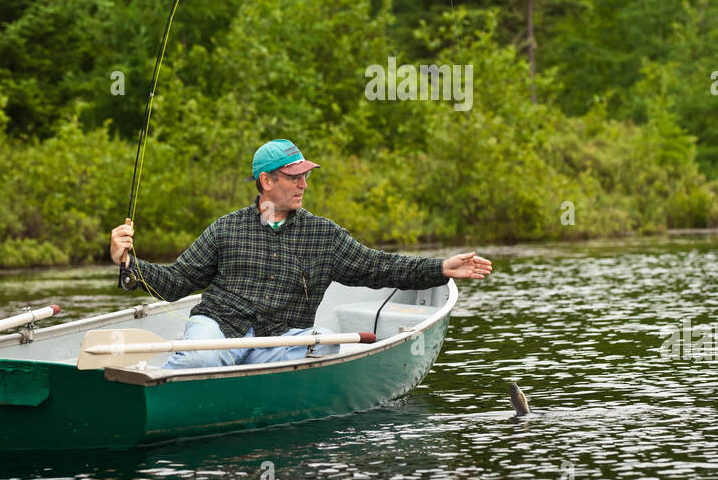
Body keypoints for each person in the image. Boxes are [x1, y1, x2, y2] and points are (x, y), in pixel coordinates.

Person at [109, 138, 492, 368]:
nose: (304, 184)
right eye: (295, 176)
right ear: (266, 180)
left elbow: (378, 267)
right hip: (218, 331)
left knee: (327, 342)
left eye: (306, 176)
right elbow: (176, 283)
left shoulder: (323, 235)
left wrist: (442, 267)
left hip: (281, 342)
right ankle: (158, 384)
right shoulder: (225, 228)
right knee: (200, 359)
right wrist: (128, 263)